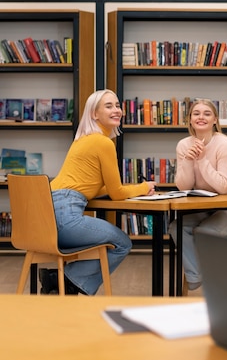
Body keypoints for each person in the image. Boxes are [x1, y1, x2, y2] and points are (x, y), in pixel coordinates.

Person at [39, 89, 157, 295]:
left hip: (46, 216)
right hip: (64, 217)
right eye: (109, 106)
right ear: (94, 114)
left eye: (118, 105)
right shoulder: (103, 142)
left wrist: (125, 189)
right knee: (122, 243)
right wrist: (144, 187)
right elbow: (117, 193)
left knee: (115, 241)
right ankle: (66, 280)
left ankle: (60, 280)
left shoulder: (84, 140)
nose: (117, 110)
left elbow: (95, 186)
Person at [168, 99, 227, 291]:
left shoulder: (225, 144)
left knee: (205, 232)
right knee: (175, 228)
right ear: (190, 120)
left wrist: (202, 160)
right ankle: (196, 278)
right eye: (196, 113)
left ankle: (215, 282)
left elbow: (223, 187)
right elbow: (183, 186)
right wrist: (188, 159)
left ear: (215, 120)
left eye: (206, 113)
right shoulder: (183, 144)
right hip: (203, 208)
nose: (200, 117)